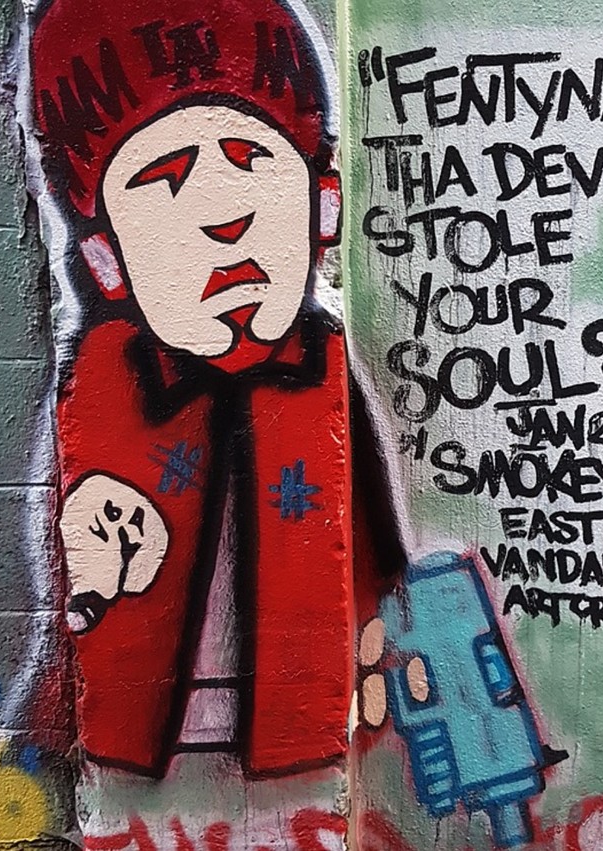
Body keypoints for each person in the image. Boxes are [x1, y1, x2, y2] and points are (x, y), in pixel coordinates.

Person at [33, 0, 359, 779]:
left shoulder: (324, 369)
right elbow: (78, 550)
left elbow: (377, 546)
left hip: (298, 759)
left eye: (250, 158)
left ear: (323, 207)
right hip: (142, 760)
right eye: (165, 177)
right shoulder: (105, 382)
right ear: (107, 261)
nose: (224, 212)